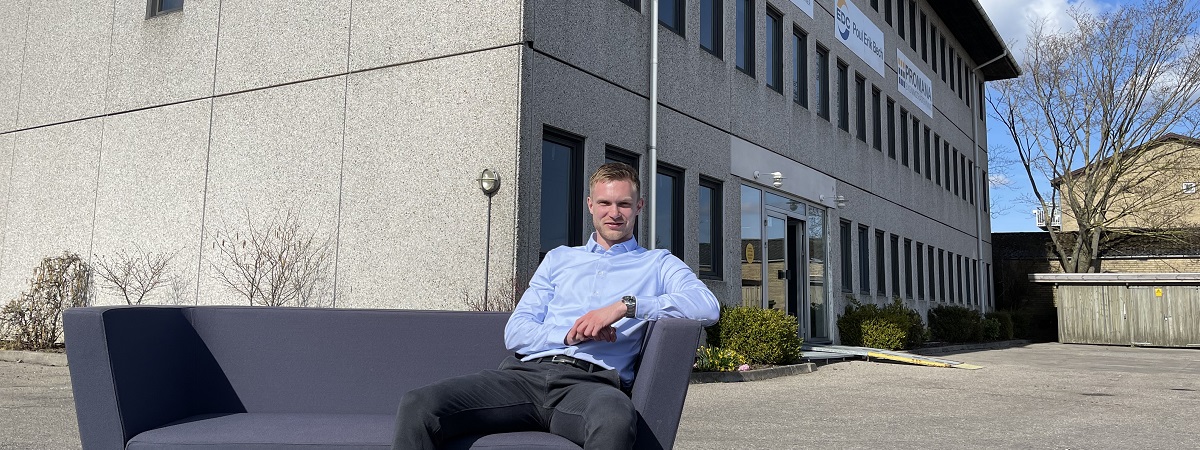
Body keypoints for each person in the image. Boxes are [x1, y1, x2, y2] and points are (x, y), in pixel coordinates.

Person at [392, 162, 720, 449]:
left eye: (623, 203)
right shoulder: (559, 259)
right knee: (420, 404)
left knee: (614, 419)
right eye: (604, 203)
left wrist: (625, 306)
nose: (614, 213)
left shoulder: (657, 263)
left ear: (639, 206)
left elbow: (707, 306)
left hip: (591, 387)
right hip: (524, 378)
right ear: (590, 204)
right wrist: (570, 333)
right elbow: (516, 332)